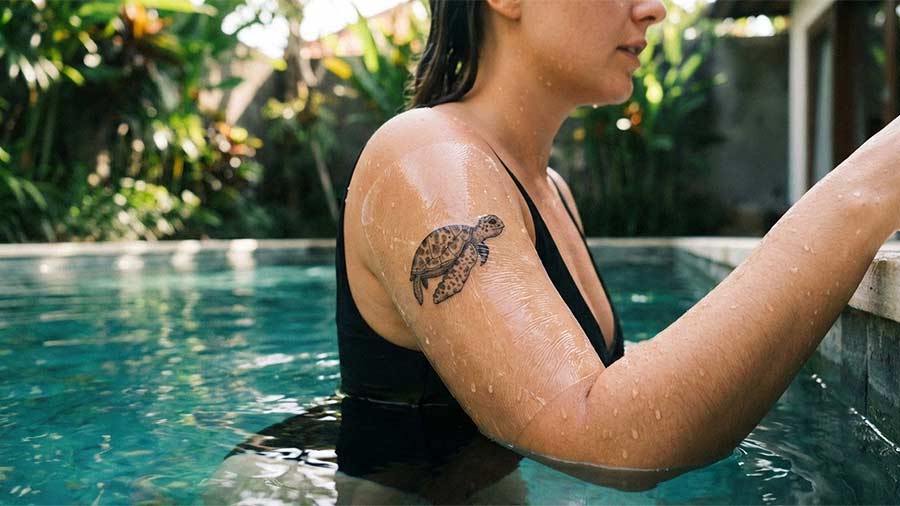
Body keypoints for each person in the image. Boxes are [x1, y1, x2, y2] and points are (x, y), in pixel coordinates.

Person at [337, 0, 900, 480]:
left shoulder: (549, 190)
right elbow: (600, 437)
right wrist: (872, 185)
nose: (653, 9)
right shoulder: (426, 154)